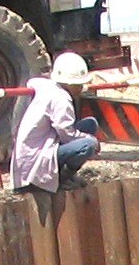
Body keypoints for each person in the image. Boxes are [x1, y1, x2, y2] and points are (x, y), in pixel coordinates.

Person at [9, 51, 99, 193]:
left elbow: (32, 81)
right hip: (38, 160)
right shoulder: (61, 99)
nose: (81, 88)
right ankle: (64, 177)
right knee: (88, 145)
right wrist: (91, 140)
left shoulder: (48, 86)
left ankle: (62, 172)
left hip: (36, 150)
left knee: (90, 124)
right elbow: (66, 134)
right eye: (78, 84)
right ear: (68, 83)